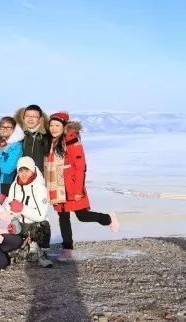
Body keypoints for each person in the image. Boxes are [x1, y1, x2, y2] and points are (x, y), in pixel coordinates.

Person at [45, 112, 119, 261]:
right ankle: (67, 251)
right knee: (63, 217)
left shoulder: (72, 141)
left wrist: (78, 190)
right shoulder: (51, 142)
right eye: (51, 125)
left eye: (57, 125)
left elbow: (80, 167)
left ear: (64, 126)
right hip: (57, 186)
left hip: (72, 186)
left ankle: (108, 218)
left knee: (82, 216)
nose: (53, 128)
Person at [5, 156, 54, 268]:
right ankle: (24, 247)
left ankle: (41, 252)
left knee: (43, 225)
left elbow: (41, 215)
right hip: (21, 224)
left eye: (27, 170)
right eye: (21, 171)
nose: (23, 174)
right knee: (12, 229)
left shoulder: (40, 187)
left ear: (32, 170)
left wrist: (22, 208)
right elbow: (9, 206)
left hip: (35, 225)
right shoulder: (14, 185)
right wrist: (13, 219)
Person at [14, 104, 50, 174]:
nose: (30, 119)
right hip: (22, 176)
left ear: (40, 119)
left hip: (41, 176)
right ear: (23, 118)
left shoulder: (48, 136)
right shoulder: (18, 136)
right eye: (27, 116)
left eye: (34, 116)